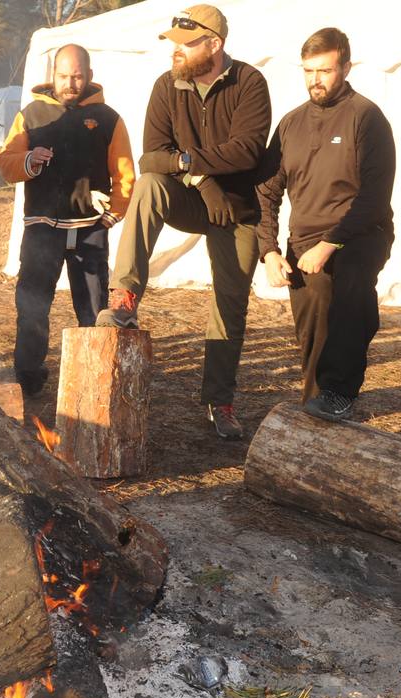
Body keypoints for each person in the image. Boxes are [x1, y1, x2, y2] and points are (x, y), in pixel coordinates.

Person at [97, 4, 271, 440]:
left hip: (238, 212)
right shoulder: (166, 84)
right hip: (192, 200)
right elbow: (150, 157)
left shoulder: (249, 82)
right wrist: (201, 179)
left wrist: (193, 165)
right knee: (150, 185)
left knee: (230, 306)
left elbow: (247, 150)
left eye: (186, 44)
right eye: (173, 44)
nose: (175, 52)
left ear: (214, 44)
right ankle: (125, 296)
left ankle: (219, 401)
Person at [257, 27, 396, 422]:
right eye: (308, 71)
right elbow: (265, 192)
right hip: (305, 236)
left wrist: (331, 243)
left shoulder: (367, 118)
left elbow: (374, 196)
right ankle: (317, 403)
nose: (315, 80)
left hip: (362, 233)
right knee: (313, 313)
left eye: (325, 70)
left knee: (351, 289)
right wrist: (268, 250)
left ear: (346, 67)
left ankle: (339, 392)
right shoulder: (290, 124)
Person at [0, 45, 135, 398]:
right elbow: (6, 163)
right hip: (41, 226)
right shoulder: (32, 114)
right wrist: (28, 159)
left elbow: (124, 171)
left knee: (91, 307)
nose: (70, 83)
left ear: (88, 75)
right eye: (63, 75)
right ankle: (27, 378)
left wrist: (114, 212)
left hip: (89, 228)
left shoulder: (107, 118)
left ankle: (94, 380)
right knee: (32, 306)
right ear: (52, 75)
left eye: (77, 76)